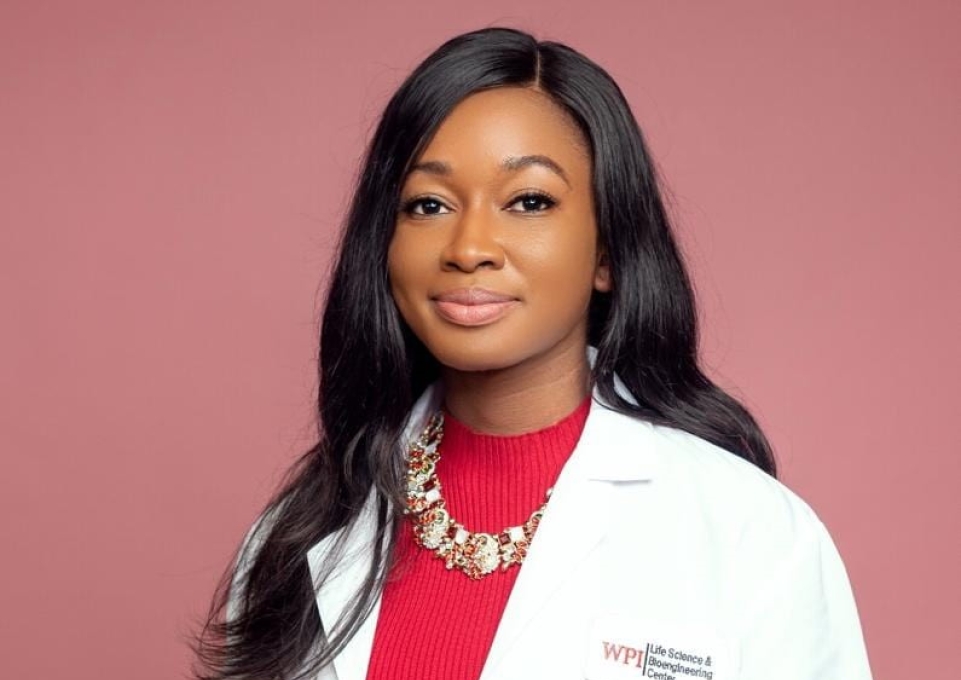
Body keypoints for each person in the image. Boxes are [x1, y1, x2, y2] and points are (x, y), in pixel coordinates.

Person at [195, 27, 872, 680]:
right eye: (427, 205)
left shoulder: (750, 534)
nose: (467, 247)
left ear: (607, 250)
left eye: (528, 201)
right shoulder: (294, 539)